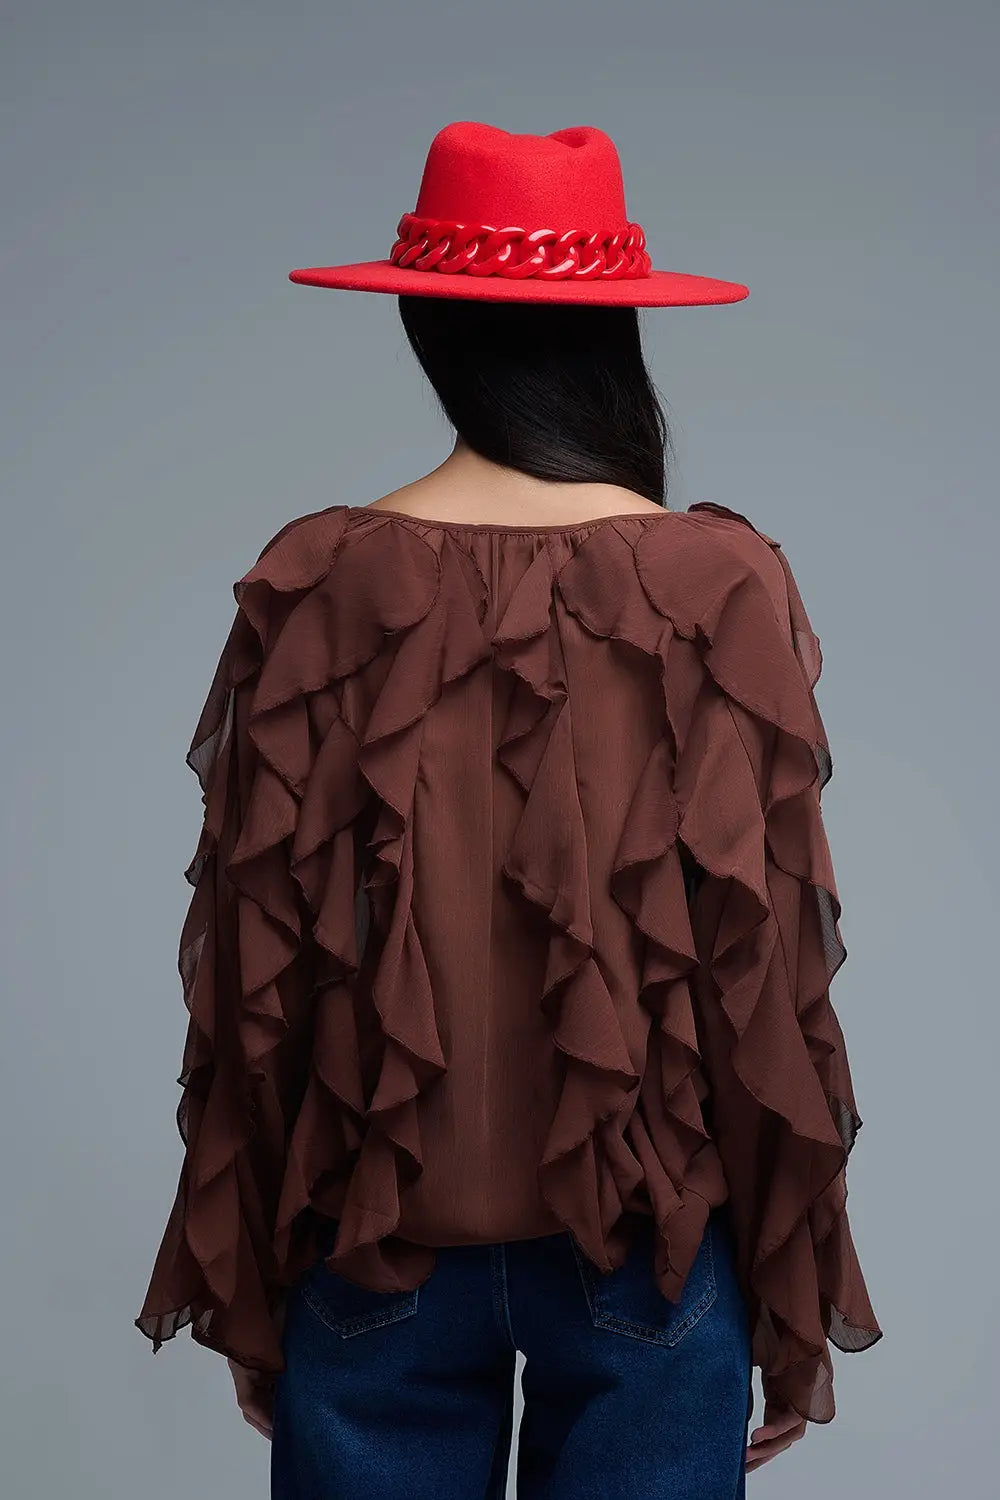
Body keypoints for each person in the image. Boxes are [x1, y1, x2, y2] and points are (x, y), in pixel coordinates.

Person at [135, 121, 882, 1499]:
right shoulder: (715, 584)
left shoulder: (321, 578)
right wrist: (793, 1293)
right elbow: (764, 978)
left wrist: (255, 1283)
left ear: (424, 322)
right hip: (651, 1246)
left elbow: (255, 968)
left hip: (372, 1238)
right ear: (618, 334)